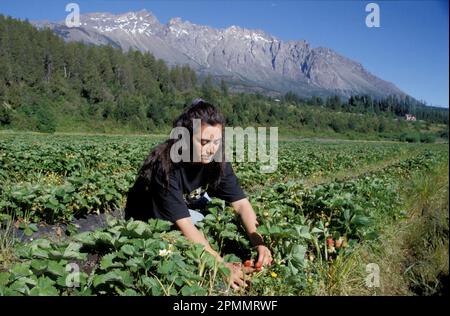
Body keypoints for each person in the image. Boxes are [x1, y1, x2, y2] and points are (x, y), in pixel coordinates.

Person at [124, 98, 272, 289]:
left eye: (217, 142)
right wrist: (221, 266)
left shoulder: (216, 159)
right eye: (204, 141)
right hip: (149, 216)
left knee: (215, 214)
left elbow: (241, 204)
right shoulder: (166, 166)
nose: (211, 148)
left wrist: (258, 242)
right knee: (191, 228)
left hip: (185, 202)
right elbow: (185, 226)